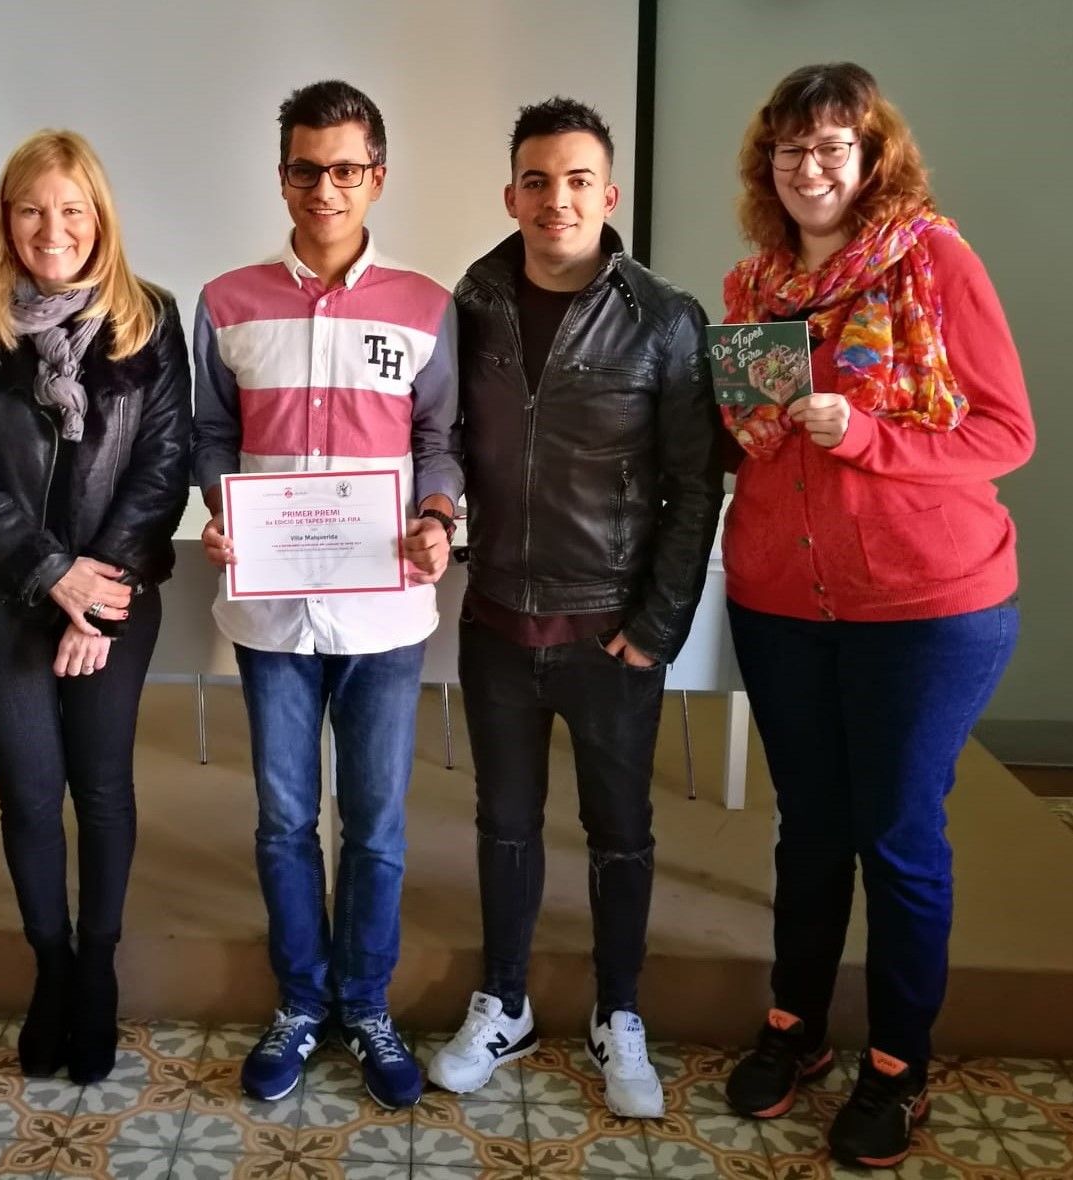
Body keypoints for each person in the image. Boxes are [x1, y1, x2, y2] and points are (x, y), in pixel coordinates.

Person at [713, 63, 1033, 1169]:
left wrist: (868, 436)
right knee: (809, 829)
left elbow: (1006, 433)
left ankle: (898, 1062)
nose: (811, 168)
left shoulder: (933, 262)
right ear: (770, 168)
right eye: (791, 151)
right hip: (779, 602)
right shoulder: (749, 289)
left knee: (897, 835)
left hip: (924, 606)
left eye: (832, 147)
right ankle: (796, 1025)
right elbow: (742, 439)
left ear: (871, 157)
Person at [426, 97, 724, 1116]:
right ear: (512, 192)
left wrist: (656, 628)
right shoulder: (473, 300)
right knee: (503, 823)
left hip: (610, 632)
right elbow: (443, 439)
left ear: (610, 192)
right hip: (498, 622)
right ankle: (502, 1000)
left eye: (579, 180)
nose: (558, 200)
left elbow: (697, 487)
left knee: (620, 831)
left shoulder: (665, 318)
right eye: (538, 181)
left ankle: (618, 1011)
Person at [193, 80, 460, 1111]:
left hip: (387, 609)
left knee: (381, 825)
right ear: (283, 176)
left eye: (346, 169)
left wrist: (438, 516)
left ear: (376, 178)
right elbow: (213, 436)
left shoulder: (427, 306)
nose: (325, 188)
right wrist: (223, 506)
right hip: (270, 614)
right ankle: (301, 1005)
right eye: (307, 169)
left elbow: (441, 441)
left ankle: (369, 1004)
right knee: (284, 820)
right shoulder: (227, 300)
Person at [0, 130, 191, 1084]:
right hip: (3, 595)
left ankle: (101, 973)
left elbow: (165, 464)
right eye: (33, 208)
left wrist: (99, 587)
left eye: (73, 209)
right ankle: (53, 970)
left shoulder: (150, 318)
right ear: (6, 218)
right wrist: (52, 576)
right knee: (30, 795)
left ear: (100, 218)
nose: (54, 228)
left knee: (104, 789)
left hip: (116, 593)